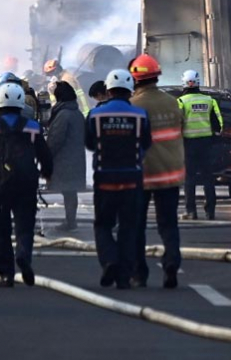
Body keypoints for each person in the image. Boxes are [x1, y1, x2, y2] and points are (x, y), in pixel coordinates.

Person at [0, 82, 52, 288]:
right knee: (25, 226)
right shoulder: (33, 127)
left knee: (2, 231)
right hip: (26, 184)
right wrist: (46, 173)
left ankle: (6, 275)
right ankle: (24, 254)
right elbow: (45, 155)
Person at [85, 68, 151, 290]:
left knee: (103, 225)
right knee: (128, 228)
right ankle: (124, 277)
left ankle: (109, 260)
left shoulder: (95, 115)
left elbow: (89, 144)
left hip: (104, 178)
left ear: (109, 90)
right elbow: (146, 144)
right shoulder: (140, 115)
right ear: (130, 90)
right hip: (132, 178)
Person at [132, 55, 185, 288]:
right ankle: (172, 261)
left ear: (135, 78)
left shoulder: (134, 105)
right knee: (169, 224)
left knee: (136, 225)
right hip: (170, 173)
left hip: (142, 175)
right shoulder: (172, 103)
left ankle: (139, 273)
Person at [177, 69, 222, 220]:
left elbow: (177, 124)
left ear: (184, 82)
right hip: (206, 144)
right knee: (208, 178)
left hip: (188, 144)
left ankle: (191, 211)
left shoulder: (181, 102)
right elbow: (219, 124)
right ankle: (210, 211)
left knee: (189, 179)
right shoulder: (209, 100)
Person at [45, 81, 86, 232]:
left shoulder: (63, 115)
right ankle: (71, 220)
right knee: (70, 192)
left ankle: (70, 222)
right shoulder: (76, 113)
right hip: (75, 158)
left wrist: (46, 156)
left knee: (68, 192)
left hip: (64, 160)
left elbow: (55, 139)